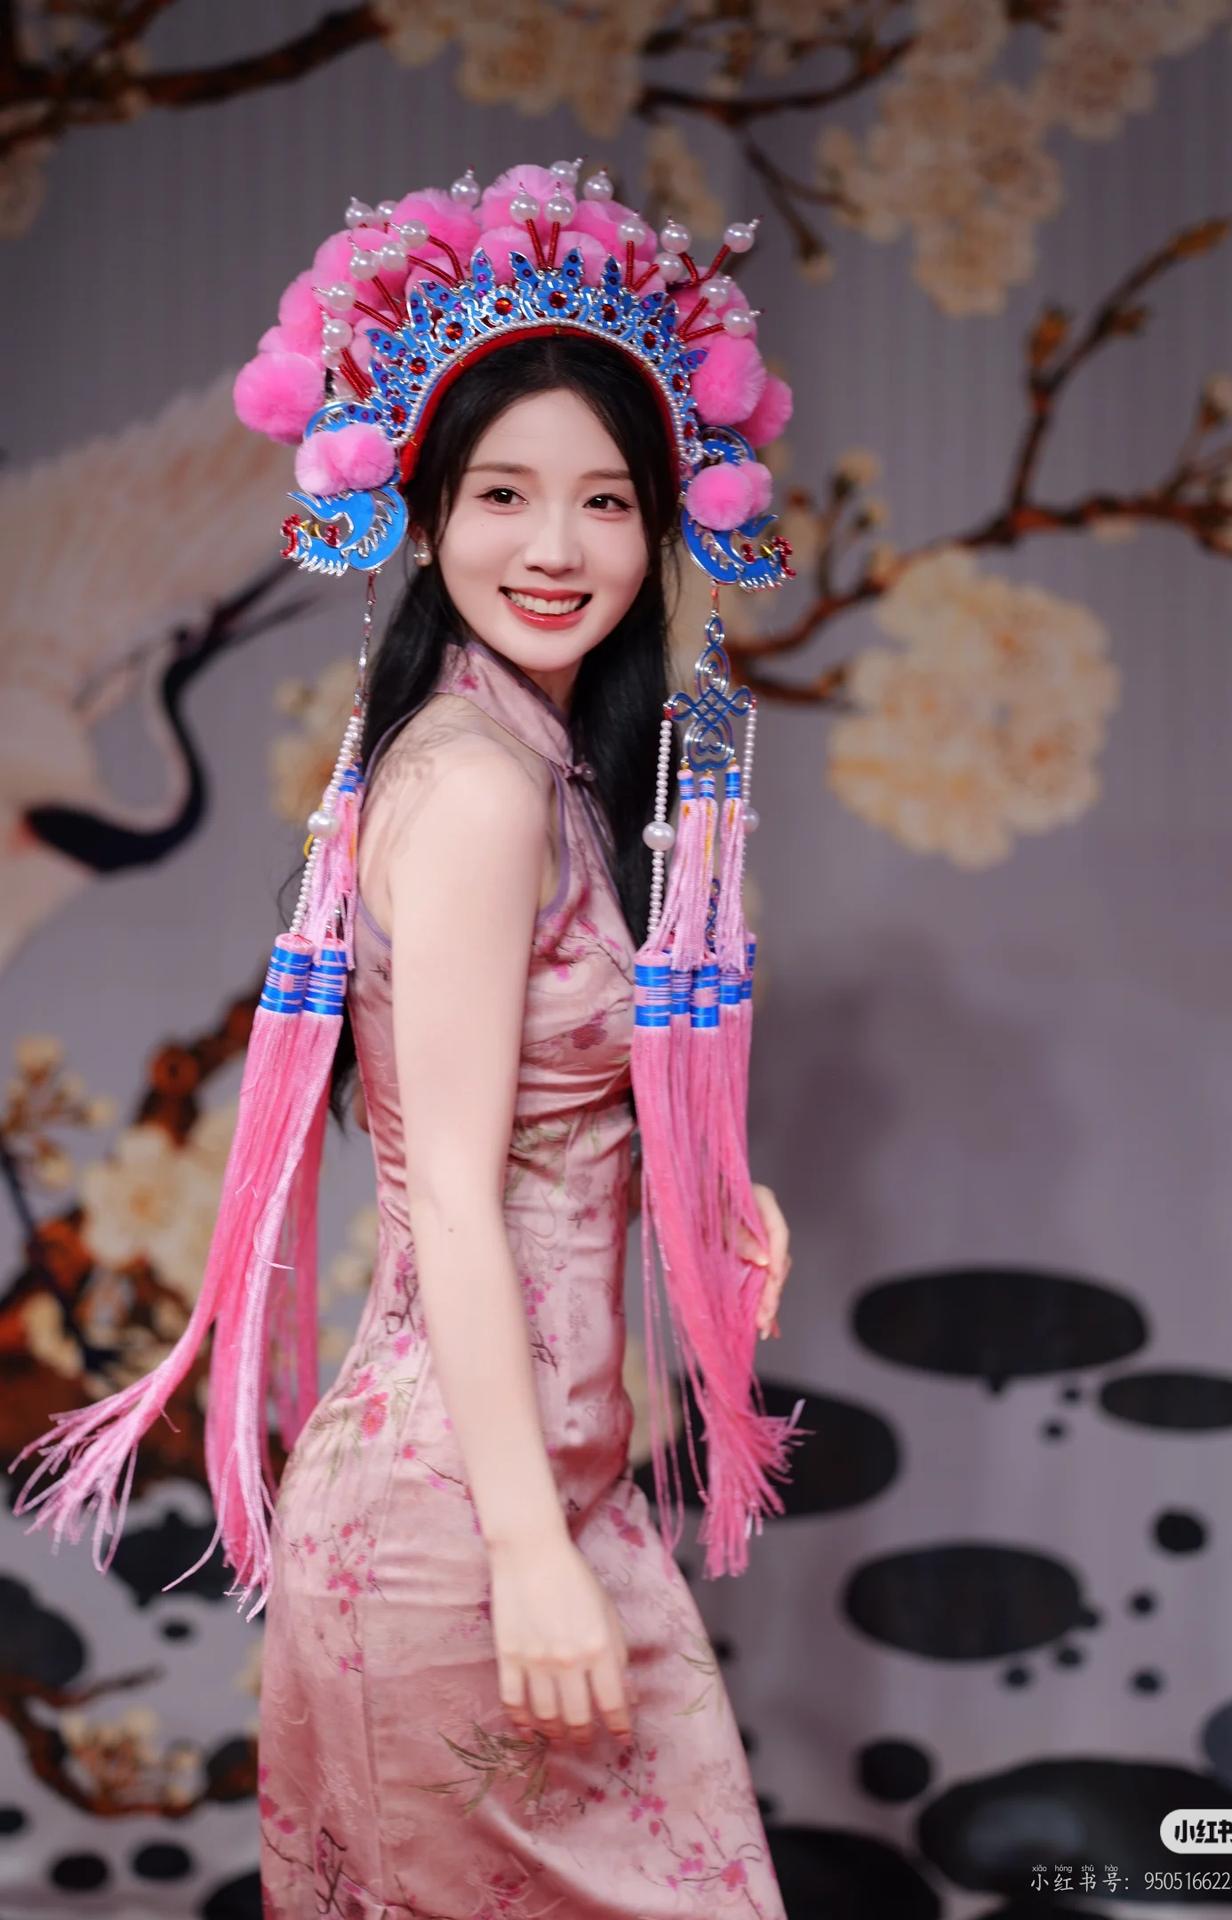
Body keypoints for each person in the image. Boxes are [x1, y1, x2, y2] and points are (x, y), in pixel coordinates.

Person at [12, 158, 804, 1917]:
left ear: (665, 524)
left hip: (550, 1488)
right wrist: (526, 1550)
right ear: (424, 517)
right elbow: (446, 1188)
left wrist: (703, 1184)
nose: (557, 548)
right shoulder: (471, 783)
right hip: (469, 1519)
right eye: (504, 494)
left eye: (606, 502)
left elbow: (554, 1114)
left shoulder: (550, 765)